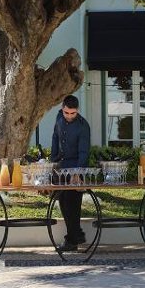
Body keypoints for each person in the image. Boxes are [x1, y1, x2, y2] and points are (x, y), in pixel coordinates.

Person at [50, 94, 90, 252]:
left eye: (73, 113)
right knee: (63, 202)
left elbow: (84, 152)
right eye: (66, 112)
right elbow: (55, 136)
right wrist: (53, 160)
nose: (69, 116)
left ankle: (72, 240)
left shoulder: (83, 126)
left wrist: (78, 173)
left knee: (72, 204)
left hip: (76, 168)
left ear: (77, 110)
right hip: (61, 167)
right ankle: (76, 235)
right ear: (62, 109)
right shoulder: (59, 118)